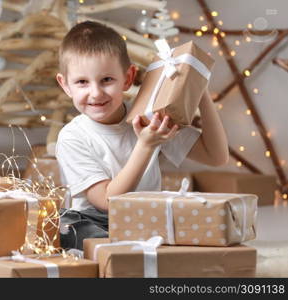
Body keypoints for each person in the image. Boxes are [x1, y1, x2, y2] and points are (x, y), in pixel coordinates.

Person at [55, 21, 229, 250]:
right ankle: (125, 257)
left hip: (147, 218)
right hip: (96, 221)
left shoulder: (149, 117)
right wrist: (146, 145)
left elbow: (216, 157)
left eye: (107, 80)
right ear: (65, 85)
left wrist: (200, 89)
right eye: (82, 82)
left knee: (190, 223)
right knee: (68, 227)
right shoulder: (72, 136)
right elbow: (108, 201)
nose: (95, 93)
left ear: (127, 78)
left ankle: (139, 254)